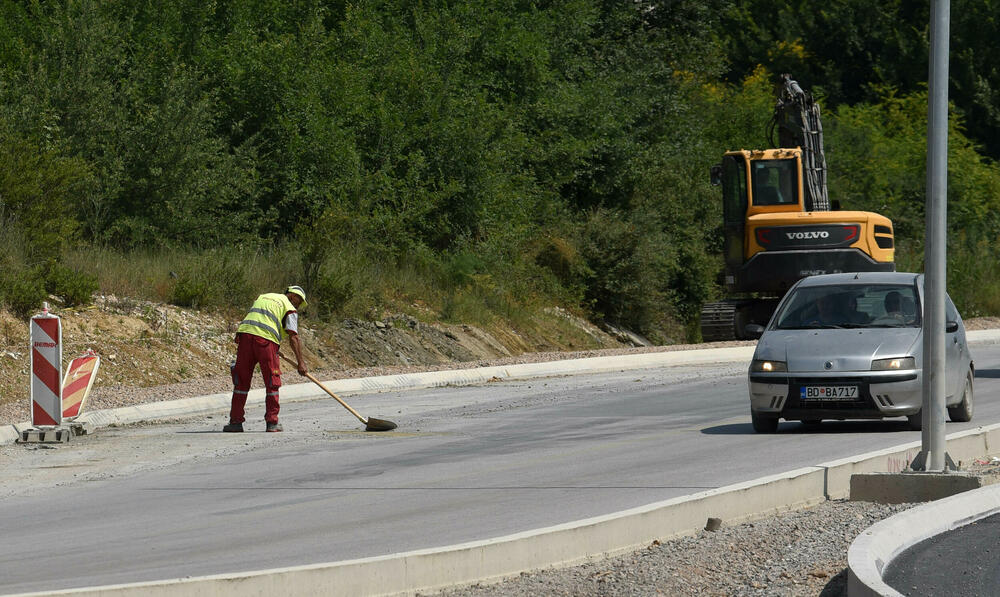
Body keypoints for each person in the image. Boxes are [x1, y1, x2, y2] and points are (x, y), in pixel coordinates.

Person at [223, 286, 309, 433]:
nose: (298, 305)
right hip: (265, 342)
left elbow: (261, 319)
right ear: (292, 296)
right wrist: (301, 362)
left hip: (245, 337)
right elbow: (293, 337)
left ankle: (235, 422)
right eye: (299, 301)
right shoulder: (289, 307)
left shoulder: (264, 296)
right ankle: (272, 422)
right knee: (272, 382)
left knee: (241, 382)